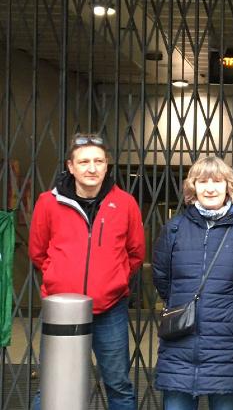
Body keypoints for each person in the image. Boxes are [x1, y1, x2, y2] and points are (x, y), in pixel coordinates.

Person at [29, 133, 145, 410]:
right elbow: (38, 251)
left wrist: (112, 281)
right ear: (71, 166)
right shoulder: (48, 202)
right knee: (53, 383)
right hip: (62, 309)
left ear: (107, 165)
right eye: (83, 162)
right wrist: (57, 278)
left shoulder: (125, 203)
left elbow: (135, 253)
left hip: (110, 309)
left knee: (118, 383)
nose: (91, 168)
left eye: (98, 161)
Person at [152, 155, 233, 409]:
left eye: (217, 181)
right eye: (203, 181)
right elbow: (162, 278)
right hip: (179, 344)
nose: (210, 188)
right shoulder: (174, 229)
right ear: (193, 188)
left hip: (229, 346)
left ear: (229, 186)